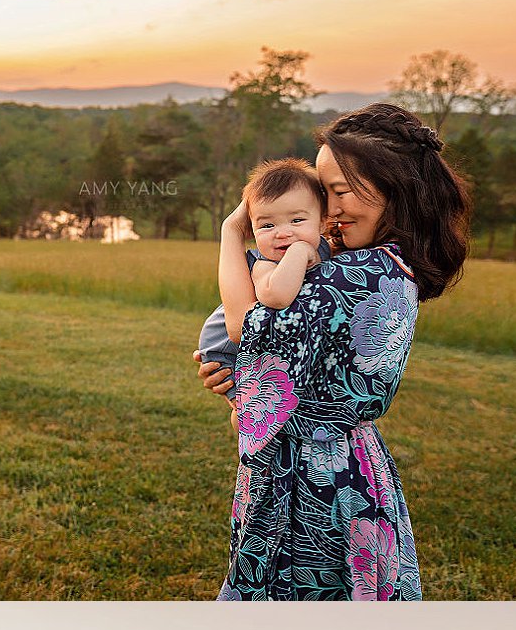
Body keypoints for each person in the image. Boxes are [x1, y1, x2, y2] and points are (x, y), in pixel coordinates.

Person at [195, 106, 472, 602]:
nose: (332, 209)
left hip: (316, 473)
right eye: (326, 194)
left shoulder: (354, 274)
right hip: (348, 457)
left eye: (340, 190)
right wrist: (250, 387)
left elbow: (245, 326)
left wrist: (229, 235)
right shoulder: (388, 265)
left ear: (396, 186)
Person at [198, 158, 330, 381]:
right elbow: (276, 296)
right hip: (224, 351)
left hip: (271, 352)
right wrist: (299, 251)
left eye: (296, 220)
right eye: (267, 225)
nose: (282, 233)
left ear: (323, 223)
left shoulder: (325, 248)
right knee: (245, 413)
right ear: (252, 229)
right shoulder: (265, 265)